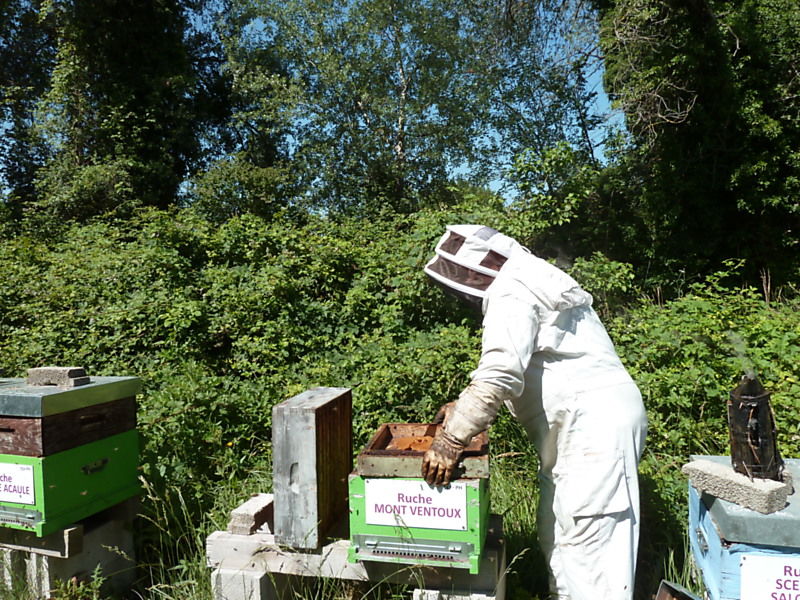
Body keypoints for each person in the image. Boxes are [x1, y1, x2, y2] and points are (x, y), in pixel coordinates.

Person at [420, 225, 647, 600]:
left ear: (477, 271)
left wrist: (450, 439)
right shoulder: (530, 279)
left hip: (592, 431)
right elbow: (536, 367)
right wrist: (462, 408)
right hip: (583, 427)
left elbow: (500, 375)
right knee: (559, 534)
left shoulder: (512, 291)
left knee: (589, 550)